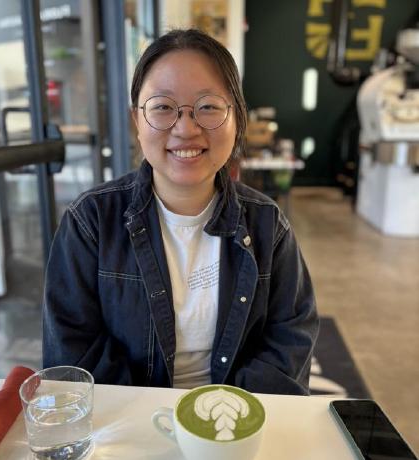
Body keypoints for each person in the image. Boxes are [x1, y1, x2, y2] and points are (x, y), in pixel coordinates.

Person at [43, 29, 319, 395]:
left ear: (236, 118)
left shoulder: (268, 224)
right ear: (136, 122)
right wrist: (153, 417)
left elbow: (291, 337)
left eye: (207, 106)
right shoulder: (90, 222)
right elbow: (71, 351)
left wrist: (222, 414)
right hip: (128, 424)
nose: (186, 128)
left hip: (235, 424)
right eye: (162, 107)